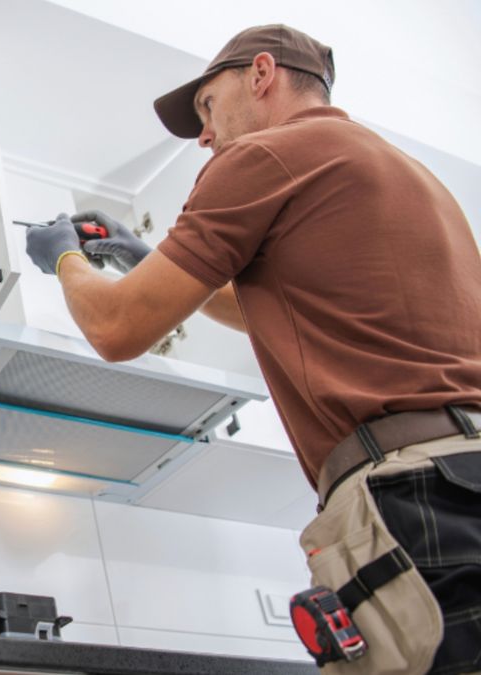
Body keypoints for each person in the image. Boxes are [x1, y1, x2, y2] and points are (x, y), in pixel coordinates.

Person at [25, 24, 481, 675]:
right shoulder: (413, 177)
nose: (205, 136)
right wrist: (141, 255)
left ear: (261, 74)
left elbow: (116, 329)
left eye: (208, 107)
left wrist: (64, 256)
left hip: (412, 500)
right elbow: (281, 311)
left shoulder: (263, 157)